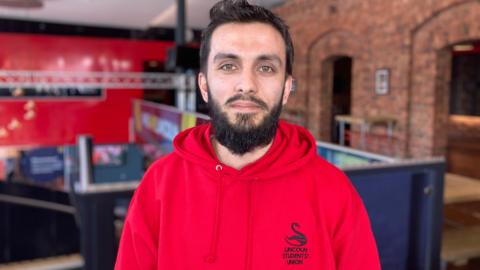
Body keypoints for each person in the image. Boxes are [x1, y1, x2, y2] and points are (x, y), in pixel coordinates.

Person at [115, 0, 381, 269]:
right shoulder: (158, 188)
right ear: (204, 86)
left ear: (286, 89)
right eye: (228, 66)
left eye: (266, 68)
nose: (247, 85)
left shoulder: (334, 192)